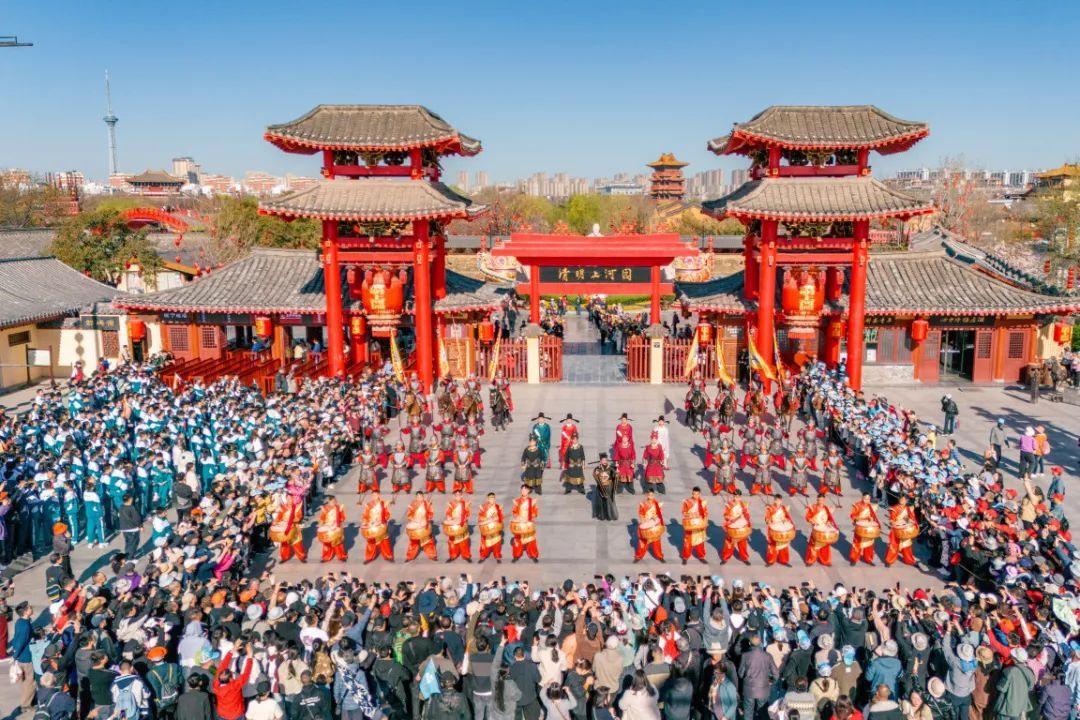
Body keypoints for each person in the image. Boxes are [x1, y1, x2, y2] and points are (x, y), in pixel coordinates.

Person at [738, 635, 777, 720]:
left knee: (748, 712)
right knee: (763, 712)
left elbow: (740, 673)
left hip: (749, 689)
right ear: (761, 643)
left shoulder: (745, 655)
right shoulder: (768, 656)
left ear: (749, 643)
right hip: (763, 688)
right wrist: (771, 681)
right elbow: (776, 674)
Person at [804, 494, 839, 567]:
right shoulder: (813, 507)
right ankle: (810, 560)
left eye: (822, 500)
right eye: (819, 500)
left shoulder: (826, 508)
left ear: (824, 500)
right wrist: (811, 521)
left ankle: (826, 561)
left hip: (824, 528)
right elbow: (808, 517)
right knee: (813, 546)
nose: (820, 501)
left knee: (825, 546)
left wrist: (829, 522)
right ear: (817, 500)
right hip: (816, 529)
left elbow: (829, 518)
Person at [360, 489, 393, 563]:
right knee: (371, 542)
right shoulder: (369, 505)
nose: (374, 497)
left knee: (384, 541)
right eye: (372, 495)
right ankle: (369, 557)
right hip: (371, 525)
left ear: (379, 495)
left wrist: (382, 521)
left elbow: (387, 514)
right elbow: (365, 515)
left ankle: (388, 556)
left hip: (381, 525)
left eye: (375, 495)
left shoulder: (383, 504)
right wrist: (365, 522)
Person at [885, 496, 918, 567]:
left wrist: (911, 521)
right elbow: (892, 519)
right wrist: (892, 522)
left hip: (905, 529)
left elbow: (909, 518)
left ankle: (909, 560)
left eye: (904, 499)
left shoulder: (908, 509)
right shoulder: (894, 508)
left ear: (906, 501)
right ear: (899, 499)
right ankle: (889, 560)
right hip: (896, 529)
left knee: (907, 546)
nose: (902, 501)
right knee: (893, 545)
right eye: (901, 499)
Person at [634, 489, 665, 562]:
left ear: (654, 495)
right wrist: (644, 519)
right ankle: (639, 556)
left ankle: (660, 556)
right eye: (649, 495)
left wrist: (656, 516)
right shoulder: (643, 504)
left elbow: (660, 514)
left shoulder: (657, 504)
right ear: (647, 495)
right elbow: (641, 514)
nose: (650, 496)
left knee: (656, 542)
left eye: (652, 495)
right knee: (642, 542)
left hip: (654, 526)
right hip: (645, 524)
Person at [721, 490, 752, 564]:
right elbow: (725, 515)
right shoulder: (729, 504)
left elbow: (747, 515)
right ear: (733, 496)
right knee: (729, 542)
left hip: (741, 524)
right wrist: (730, 518)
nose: (737, 498)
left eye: (738, 497)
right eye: (735, 496)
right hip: (732, 524)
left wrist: (744, 516)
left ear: (740, 497)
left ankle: (744, 558)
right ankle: (725, 557)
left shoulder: (744, 504)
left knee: (742, 543)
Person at [849, 494, 881, 565]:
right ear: (862, 498)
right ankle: (854, 559)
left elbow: (873, 517)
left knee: (869, 544)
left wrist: (872, 519)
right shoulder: (857, 505)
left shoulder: (871, 506)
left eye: (868, 499)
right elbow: (853, 516)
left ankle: (868, 559)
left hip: (868, 527)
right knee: (857, 543)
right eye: (865, 499)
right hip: (860, 526)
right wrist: (863, 518)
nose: (867, 500)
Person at [404, 491, 437, 562]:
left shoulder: (427, 504)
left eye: (421, 497)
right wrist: (414, 519)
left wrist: (426, 518)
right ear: (416, 498)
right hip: (415, 523)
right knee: (413, 542)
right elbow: (409, 515)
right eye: (418, 497)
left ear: (423, 497)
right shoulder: (413, 504)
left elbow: (431, 513)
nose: (419, 498)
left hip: (424, 524)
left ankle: (432, 555)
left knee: (428, 541)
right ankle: (410, 556)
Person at [510, 485, 539, 562]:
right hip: (520, 524)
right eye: (522, 490)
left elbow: (535, 513)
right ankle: (516, 555)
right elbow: (514, 512)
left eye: (525, 490)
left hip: (528, 523)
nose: (523, 491)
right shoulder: (517, 501)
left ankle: (533, 555)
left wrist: (530, 517)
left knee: (531, 540)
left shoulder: (532, 501)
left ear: (528, 491)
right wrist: (517, 516)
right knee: (517, 540)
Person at [765, 495, 796, 566]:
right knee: (772, 545)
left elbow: (787, 517)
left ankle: (784, 560)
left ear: (781, 501)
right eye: (777, 500)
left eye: (780, 500)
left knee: (783, 545)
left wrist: (785, 519)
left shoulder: (783, 508)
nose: (778, 502)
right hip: (774, 527)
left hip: (782, 527)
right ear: (774, 500)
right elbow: (767, 518)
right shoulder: (770, 508)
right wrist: (768, 521)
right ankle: (771, 561)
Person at [443, 489, 472, 562]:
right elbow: (448, 513)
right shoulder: (451, 504)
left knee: (464, 542)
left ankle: (466, 556)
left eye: (459, 495)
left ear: (461, 495)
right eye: (456, 495)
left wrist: (463, 518)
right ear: (454, 496)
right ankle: (453, 556)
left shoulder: (465, 503)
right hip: (453, 525)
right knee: (452, 542)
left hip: (461, 523)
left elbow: (468, 514)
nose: (457, 497)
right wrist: (449, 518)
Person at [681, 487, 709, 564]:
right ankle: (685, 557)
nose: (696, 495)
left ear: (699, 494)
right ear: (692, 494)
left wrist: (702, 517)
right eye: (694, 494)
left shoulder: (702, 502)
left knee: (700, 542)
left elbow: (706, 512)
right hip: (690, 524)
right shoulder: (687, 502)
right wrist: (690, 514)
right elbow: (684, 512)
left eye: (697, 494)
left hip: (699, 524)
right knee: (688, 542)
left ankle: (701, 556)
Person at [316, 495, 347, 562]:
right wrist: (321, 525)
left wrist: (339, 522)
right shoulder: (325, 508)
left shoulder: (338, 508)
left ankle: (341, 556)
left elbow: (343, 517)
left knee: (337, 542)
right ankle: (326, 557)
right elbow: (322, 518)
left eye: (335, 501)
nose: (334, 502)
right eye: (333, 501)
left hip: (336, 525)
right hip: (327, 525)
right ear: (329, 502)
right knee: (327, 543)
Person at [477, 492, 504, 562]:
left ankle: (497, 556)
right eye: (490, 498)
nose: (492, 500)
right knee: (486, 543)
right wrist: (487, 519)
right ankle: (483, 556)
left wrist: (496, 518)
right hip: (487, 528)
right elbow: (480, 517)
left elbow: (501, 517)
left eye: (493, 498)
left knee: (497, 543)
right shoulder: (483, 507)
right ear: (488, 499)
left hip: (495, 528)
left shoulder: (498, 507)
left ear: (495, 499)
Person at [592, 453, 619, 521]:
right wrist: (596, 474)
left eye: (605, 460)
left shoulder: (611, 468)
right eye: (603, 460)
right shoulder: (597, 468)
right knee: (602, 502)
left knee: (609, 502)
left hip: (609, 487)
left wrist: (616, 472)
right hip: (601, 487)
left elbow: (614, 476)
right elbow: (594, 475)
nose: (604, 461)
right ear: (600, 461)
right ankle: (602, 516)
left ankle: (610, 515)